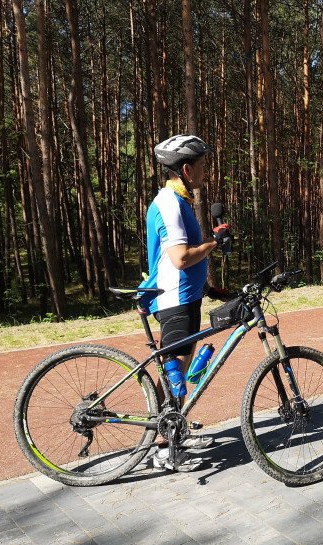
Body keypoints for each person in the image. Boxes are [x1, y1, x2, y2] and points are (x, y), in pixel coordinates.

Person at [141, 134, 231, 470]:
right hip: (173, 300)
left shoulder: (180, 201)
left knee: (178, 372)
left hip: (187, 296)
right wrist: (213, 243)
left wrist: (210, 288)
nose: (206, 173)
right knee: (174, 375)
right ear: (187, 169)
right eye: (203, 166)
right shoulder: (168, 203)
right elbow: (179, 259)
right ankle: (165, 451)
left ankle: (175, 429)